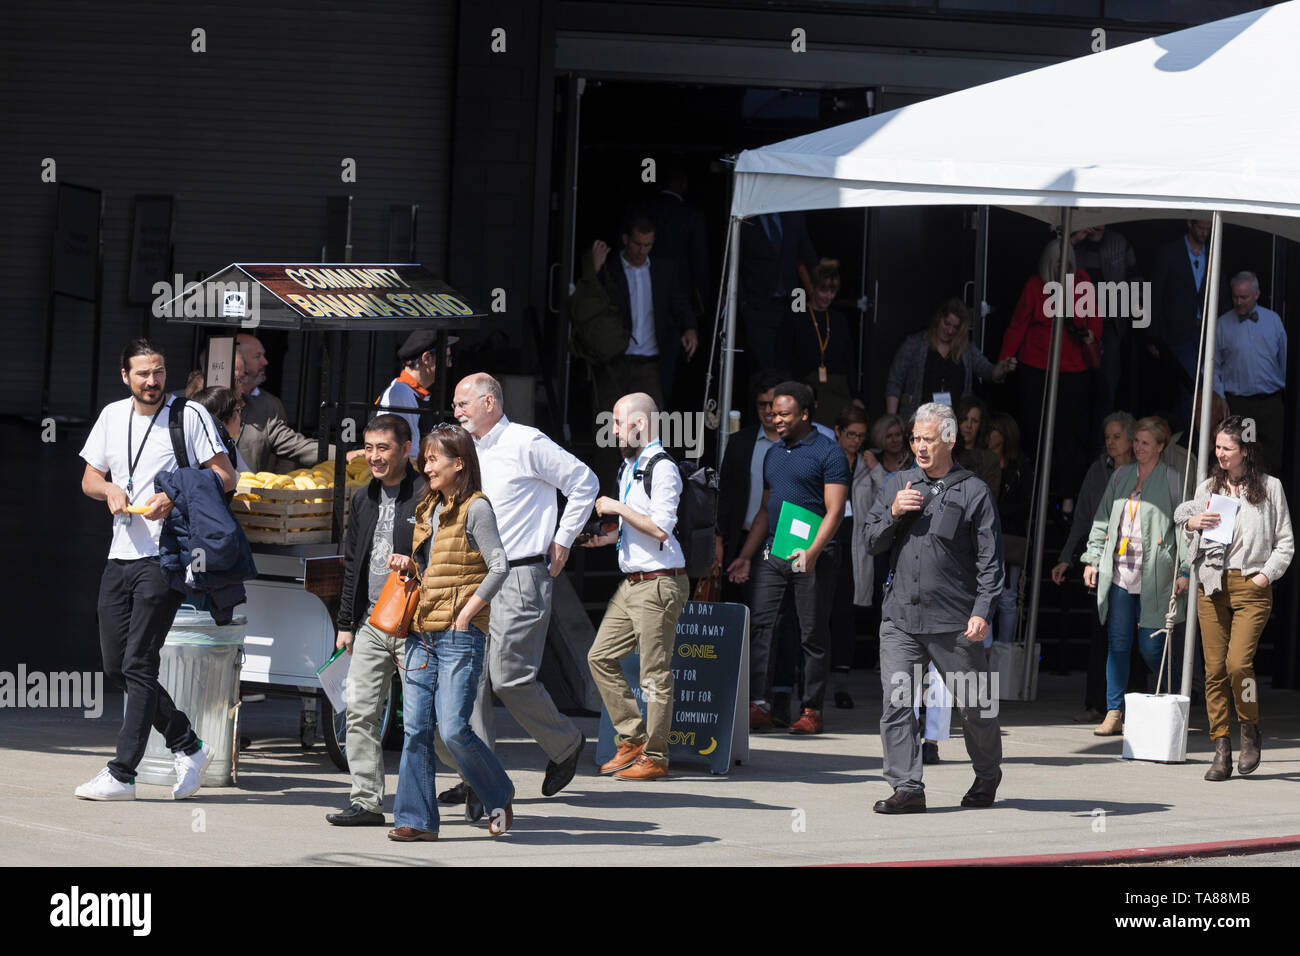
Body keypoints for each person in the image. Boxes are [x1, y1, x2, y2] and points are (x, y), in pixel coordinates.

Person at [75, 339, 238, 801]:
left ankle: (122, 773)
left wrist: (174, 496)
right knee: (117, 665)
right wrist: (109, 490)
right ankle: (189, 745)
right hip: (120, 552)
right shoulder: (112, 416)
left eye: (159, 371)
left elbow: (226, 475)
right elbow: (89, 478)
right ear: (125, 376)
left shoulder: (189, 415)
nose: (153, 381)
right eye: (143, 373)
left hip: (166, 555)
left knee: (139, 662)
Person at [443, 372, 598, 800]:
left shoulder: (527, 442)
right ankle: (478, 778)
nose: (456, 412)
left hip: (519, 573)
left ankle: (565, 743)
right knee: (470, 679)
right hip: (474, 576)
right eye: (455, 405)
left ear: (489, 403)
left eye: (462, 404)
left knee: (508, 676)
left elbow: (584, 481)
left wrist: (563, 539)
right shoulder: (467, 450)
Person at [863, 402, 1003, 813]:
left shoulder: (974, 491)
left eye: (928, 439)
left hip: (955, 621)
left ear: (950, 440)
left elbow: (990, 561)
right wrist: (893, 512)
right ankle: (907, 787)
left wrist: (982, 611)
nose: (920, 447)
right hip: (901, 619)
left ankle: (987, 774)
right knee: (897, 702)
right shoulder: (898, 483)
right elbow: (870, 540)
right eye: (915, 439)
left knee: (975, 705)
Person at [387, 424, 514, 840]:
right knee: (415, 729)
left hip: (460, 635)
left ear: (459, 463)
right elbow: (434, 569)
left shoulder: (477, 508)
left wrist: (468, 613)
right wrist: (410, 565)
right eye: (425, 459)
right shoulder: (428, 508)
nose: (426, 467)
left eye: (433, 459)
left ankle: (499, 792)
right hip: (421, 633)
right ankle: (416, 820)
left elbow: (499, 565)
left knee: (454, 728)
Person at [1175, 416, 1294, 781]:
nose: (1220, 454)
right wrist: (1192, 525)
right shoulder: (1208, 486)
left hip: (1251, 587)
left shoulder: (1271, 488)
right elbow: (1186, 532)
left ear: (1246, 450)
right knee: (1213, 670)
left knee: (1238, 664)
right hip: (1212, 584)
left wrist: (1265, 575)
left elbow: (1285, 543)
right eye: (1217, 447)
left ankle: (1250, 728)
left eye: (1227, 448)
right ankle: (1221, 747)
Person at [728, 381, 850, 735]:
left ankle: (812, 709)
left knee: (811, 632)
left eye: (784, 414)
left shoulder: (829, 452)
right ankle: (760, 705)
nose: (775, 418)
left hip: (815, 553)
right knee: (762, 624)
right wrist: (745, 556)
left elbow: (835, 511)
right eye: (773, 413)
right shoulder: (773, 454)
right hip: (775, 549)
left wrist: (812, 552)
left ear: (805, 414)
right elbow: (765, 509)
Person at [583, 392, 690, 780]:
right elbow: (638, 528)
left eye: (617, 422)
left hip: (659, 583)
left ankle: (656, 757)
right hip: (634, 582)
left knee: (654, 674)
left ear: (640, 424)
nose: (613, 430)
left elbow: (661, 527)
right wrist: (606, 539)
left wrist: (616, 507)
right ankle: (632, 739)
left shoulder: (663, 468)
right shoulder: (630, 466)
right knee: (599, 657)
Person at [323, 415, 423, 827]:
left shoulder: (426, 495)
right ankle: (366, 801)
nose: (374, 457)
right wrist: (345, 624)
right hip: (371, 623)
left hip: (416, 625)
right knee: (360, 712)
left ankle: (475, 783)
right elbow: (353, 566)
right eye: (368, 448)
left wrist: (415, 564)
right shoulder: (363, 498)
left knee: (428, 722)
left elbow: (443, 559)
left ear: (406, 449)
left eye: (384, 448)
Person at [1080, 416, 1189, 737]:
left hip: (1156, 576)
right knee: (1117, 645)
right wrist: (1092, 559)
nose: (1138, 448)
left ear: (1160, 446)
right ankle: (1114, 712)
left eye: (1145, 443)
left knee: (1151, 647)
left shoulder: (1172, 480)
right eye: (1137, 441)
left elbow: (1184, 528)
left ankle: (1173, 695)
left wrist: (1184, 569)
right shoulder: (1121, 476)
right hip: (1119, 574)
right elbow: (1102, 519)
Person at [999, 238, 1103, 512]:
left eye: (1066, 265)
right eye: (1057, 265)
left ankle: (1068, 498)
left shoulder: (1083, 283)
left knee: (1070, 435)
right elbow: (1018, 326)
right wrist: (1004, 360)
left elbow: (1095, 320)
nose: (1062, 270)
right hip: (1036, 367)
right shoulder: (1035, 286)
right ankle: (1034, 494)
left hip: (1074, 370)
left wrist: (1091, 335)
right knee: (1035, 431)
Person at [1052, 412, 1136, 722]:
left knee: (1129, 635)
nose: (1110, 442)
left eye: (1117, 436)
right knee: (1101, 632)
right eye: (1107, 437)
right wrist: (1066, 557)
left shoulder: (1145, 471)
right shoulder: (1098, 470)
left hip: (1135, 562)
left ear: (1131, 439)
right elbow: (1084, 519)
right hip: (1102, 559)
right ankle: (1096, 704)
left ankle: (1129, 706)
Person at [582, 216, 698, 412]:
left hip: (649, 362)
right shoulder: (609, 268)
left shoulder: (663, 270)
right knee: (608, 421)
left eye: (647, 245)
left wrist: (690, 328)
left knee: (649, 421)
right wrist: (594, 271)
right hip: (613, 360)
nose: (642, 251)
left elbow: (679, 303)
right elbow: (587, 305)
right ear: (625, 239)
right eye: (637, 244)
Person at [886, 298, 1014, 426]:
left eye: (955, 327)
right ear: (938, 318)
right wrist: (892, 421)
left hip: (953, 423)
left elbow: (988, 371)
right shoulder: (915, 344)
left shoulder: (966, 349)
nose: (950, 331)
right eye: (947, 324)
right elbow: (895, 381)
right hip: (919, 421)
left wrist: (1002, 368)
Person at [1213, 271, 1287, 475]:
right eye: (1235, 297)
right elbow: (1212, 366)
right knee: (1241, 458)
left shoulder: (1273, 321)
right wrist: (1220, 397)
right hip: (1240, 404)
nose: (1238, 302)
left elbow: (1284, 360)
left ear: (1257, 294)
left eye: (1244, 297)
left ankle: (1269, 495)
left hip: (1270, 402)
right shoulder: (1222, 324)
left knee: (1273, 458)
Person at [1070, 224, 1141, 417]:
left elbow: (1135, 277)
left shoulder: (1119, 242)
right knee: (1079, 378)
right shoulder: (1076, 243)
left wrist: (1137, 306)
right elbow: (1055, 264)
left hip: (1111, 322)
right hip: (1080, 323)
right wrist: (1074, 240)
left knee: (1109, 378)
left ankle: (1105, 430)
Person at [1150, 220, 1213, 433]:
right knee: (1191, 385)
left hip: (1205, 331)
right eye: (1201, 228)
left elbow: (1219, 289)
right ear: (1189, 223)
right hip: (1177, 331)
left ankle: (1197, 435)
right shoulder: (1170, 252)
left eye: (1208, 229)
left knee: (1205, 383)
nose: (1204, 233)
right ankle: (1191, 437)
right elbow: (1156, 294)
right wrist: (1154, 336)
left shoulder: (1212, 252)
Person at [738, 211, 818, 374]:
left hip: (793, 301)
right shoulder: (745, 220)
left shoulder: (794, 216)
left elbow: (807, 254)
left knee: (792, 360)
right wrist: (743, 303)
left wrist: (823, 286)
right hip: (758, 305)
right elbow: (735, 264)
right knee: (764, 366)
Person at [828, 405, 870, 708]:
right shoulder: (827, 457)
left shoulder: (868, 464)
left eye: (861, 436)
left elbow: (885, 496)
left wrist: (876, 468)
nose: (855, 440)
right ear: (838, 432)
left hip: (857, 545)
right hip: (828, 540)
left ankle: (841, 686)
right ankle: (810, 681)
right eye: (851, 434)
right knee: (819, 613)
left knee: (846, 615)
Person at [787, 259, 861, 427]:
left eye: (832, 291)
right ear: (812, 287)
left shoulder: (839, 320)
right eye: (823, 290)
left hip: (837, 391)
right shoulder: (798, 317)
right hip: (808, 389)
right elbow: (787, 358)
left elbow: (849, 361)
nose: (828, 296)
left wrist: (855, 396)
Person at [235, 332, 321, 473]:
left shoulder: (272, 403)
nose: (265, 362)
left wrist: (280, 481)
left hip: (260, 484)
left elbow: (288, 449)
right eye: (257, 356)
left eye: (263, 356)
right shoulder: (208, 402)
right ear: (239, 362)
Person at [377, 329, 456, 453]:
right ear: (427, 358)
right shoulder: (401, 393)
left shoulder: (411, 393)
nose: (449, 364)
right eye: (446, 358)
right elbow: (408, 452)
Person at [191, 385, 250, 476]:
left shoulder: (229, 444)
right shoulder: (206, 448)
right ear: (222, 416)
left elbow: (247, 475)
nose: (240, 416)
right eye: (237, 410)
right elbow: (231, 478)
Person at [954, 395, 1001, 498]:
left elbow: (989, 499)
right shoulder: (945, 452)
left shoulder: (990, 460)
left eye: (974, 421)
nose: (968, 425)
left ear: (981, 425)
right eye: (965, 419)